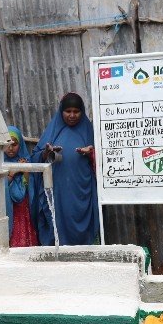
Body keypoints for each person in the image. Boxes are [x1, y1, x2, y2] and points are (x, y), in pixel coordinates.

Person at [30, 92, 99, 246]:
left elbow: (107, 159)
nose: (72, 115)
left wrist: (92, 153)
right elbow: (34, 158)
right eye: (68, 111)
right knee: (57, 224)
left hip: (82, 190)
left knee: (83, 228)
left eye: (76, 111)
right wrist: (46, 153)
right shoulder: (53, 131)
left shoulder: (89, 131)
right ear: (61, 111)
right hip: (57, 190)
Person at [4, 125, 40, 247]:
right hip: (8, 209)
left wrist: (24, 171)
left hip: (24, 208)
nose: (10, 148)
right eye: (7, 144)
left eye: (14, 144)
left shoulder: (27, 161)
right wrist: (12, 174)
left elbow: (31, 186)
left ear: (20, 145)